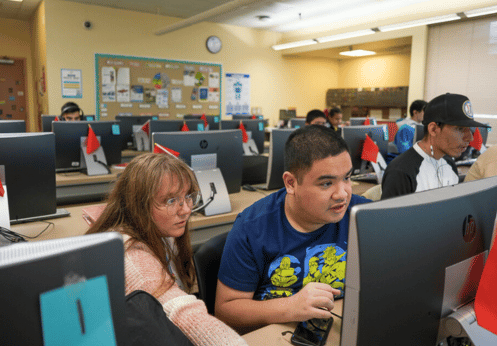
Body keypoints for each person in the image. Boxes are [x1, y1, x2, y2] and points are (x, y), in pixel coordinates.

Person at [215, 125, 371, 331]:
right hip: (275, 333)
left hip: (338, 326)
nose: (342, 194)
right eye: (326, 184)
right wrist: (290, 307)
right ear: (290, 183)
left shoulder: (363, 215)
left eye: (347, 178)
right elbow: (226, 310)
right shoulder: (252, 227)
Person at [86, 153, 247, 346]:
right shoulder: (132, 257)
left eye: (188, 197)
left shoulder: (160, 232)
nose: (186, 209)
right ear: (138, 205)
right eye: (170, 201)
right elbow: (181, 311)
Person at [381, 93, 490, 200]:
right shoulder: (401, 172)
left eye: (470, 129)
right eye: (460, 129)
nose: (470, 138)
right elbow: (390, 218)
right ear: (433, 129)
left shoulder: (449, 164)